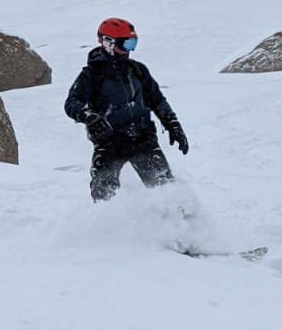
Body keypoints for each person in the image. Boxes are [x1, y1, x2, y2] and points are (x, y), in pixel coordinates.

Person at [64, 17, 189, 202]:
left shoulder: (137, 70)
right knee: (105, 195)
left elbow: (157, 100)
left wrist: (173, 124)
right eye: (126, 44)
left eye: (133, 43)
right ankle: (108, 219)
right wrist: (89, 117)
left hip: (142, 138)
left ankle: (180, 218)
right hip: (109, 142)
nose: (130, 50)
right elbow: (71, 103)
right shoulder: (91, 76)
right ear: (108, 43)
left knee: (165, 189)